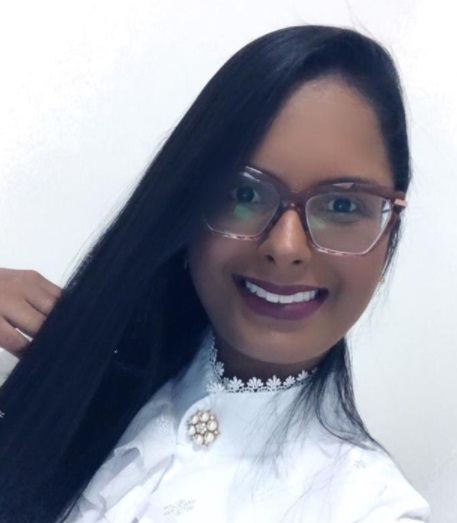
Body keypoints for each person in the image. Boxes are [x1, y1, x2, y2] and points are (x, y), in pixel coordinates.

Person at [0, 25, 430, 522]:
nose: (286, 247)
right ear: (187, 207)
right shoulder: (80, 379)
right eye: (244, 193)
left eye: (342, 205)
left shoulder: (371, 508)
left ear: (389, 231)